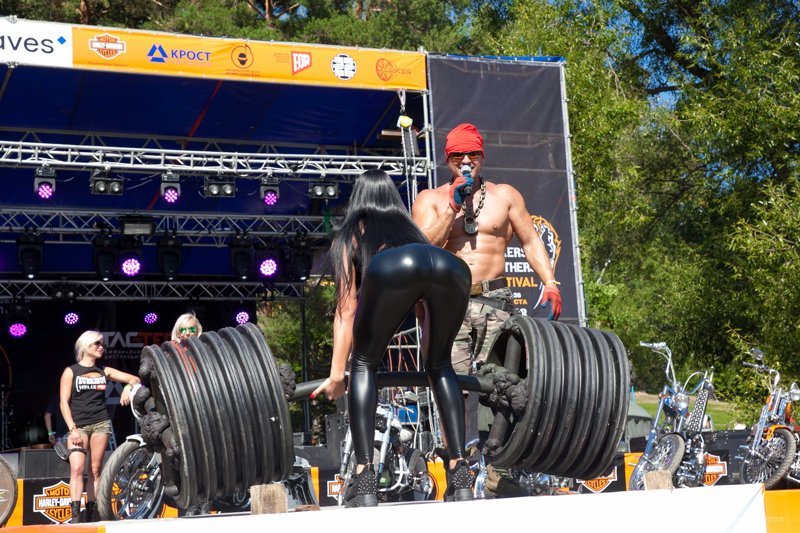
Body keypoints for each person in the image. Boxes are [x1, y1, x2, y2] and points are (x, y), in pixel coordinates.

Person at [411, 123, 563, 497]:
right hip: (450, 302)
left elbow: (530, 240)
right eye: (458, 155)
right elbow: (422, 248)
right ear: (447, 159)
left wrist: (550, 282)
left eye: (472, 154)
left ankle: (499, 468)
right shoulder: (430, 199)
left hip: (497, 301)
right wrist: (453, 205)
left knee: (508, 387)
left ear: (482, 156)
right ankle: (457, 469)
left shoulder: (505, 195)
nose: (466, 161)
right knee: (453, 387)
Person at [311, 169, 474, 507]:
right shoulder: (409, 230)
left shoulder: (352, 233)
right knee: (440, 364)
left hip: (399, 268)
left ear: (358, 199)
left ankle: (364, 473)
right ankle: (459, 471)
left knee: (364, 363)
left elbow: (345, 310)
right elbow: (421, 301)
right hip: (452, 268)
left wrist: (336, 372)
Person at [59, 330, 140, 523]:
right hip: (78, 425)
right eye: (97, 343)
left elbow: (135, 379)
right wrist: (72, 429)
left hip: (100, 423)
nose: (101, 347)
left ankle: (92, 512)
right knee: (77, 469)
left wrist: (127, 389)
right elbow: (63, 403)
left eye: (103, 344)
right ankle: (75, 516)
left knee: (95, 470)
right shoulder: (71, 371)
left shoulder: (105, 371)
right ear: (86, 345)